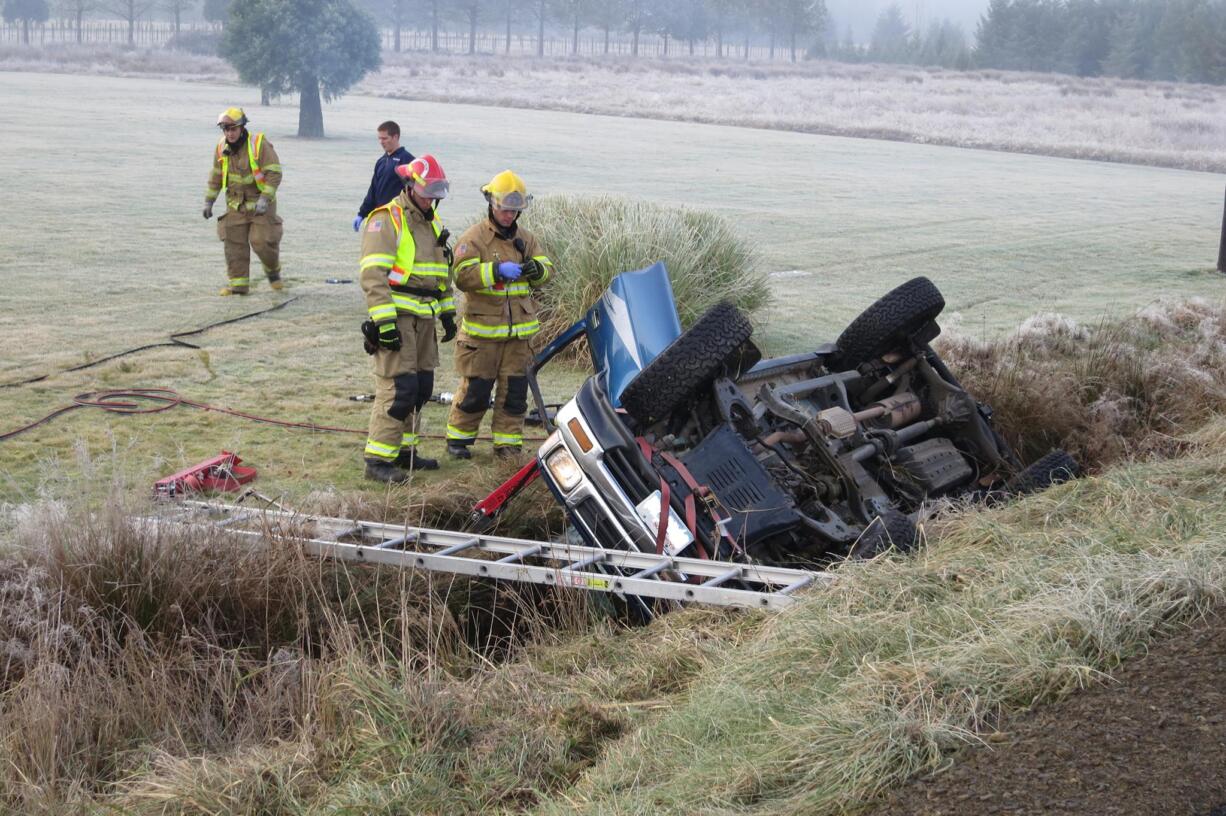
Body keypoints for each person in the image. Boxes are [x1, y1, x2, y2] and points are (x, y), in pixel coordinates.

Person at [358, 154, 458, 484]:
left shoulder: (433, 223)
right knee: (398, 389)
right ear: (410, 184)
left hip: (425, 319)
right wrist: (385, 322)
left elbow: (441, 273)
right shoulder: (387, 219)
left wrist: (447, 313)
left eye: (437, 191)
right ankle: (377, 461)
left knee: (420, 389)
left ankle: (405, 453)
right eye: (428, 190)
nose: (433, 198)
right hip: (398, 317)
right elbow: (373, 275)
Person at [446, 170, 554, 461]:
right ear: (492, 204)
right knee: (476, 391)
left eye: (514, 210)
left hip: (519, 335)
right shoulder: (474, 238)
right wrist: (494, 271)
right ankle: (458, 442)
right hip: (482, 335)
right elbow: (461, 276)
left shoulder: (526, 239)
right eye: (505, 209)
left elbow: (546, 267)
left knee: (515, 393)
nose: (509, 215)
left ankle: (507, 446)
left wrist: (538, 270)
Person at [202, 107, 284, 296]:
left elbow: (274, 173)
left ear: (242, 128)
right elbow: (216, 175)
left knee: (261, 242)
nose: (230, 133)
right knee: (233, 245)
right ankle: (238, 286)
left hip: (260, 206)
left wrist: (265, 198)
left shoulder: (258, 144)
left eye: (233, 129)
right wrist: (209, 202)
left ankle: (273, 271)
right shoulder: (221, 148)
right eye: (226, 129)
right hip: (235, 206)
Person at [353, 121, 415, 232]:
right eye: (379, 138)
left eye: (385, 138)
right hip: (380, 217)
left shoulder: (408, 161)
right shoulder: (381, 161)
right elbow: (373, 190)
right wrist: (361, 214)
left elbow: (414, 193)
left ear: (395, 137)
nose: (381, 142)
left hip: (399, 219)